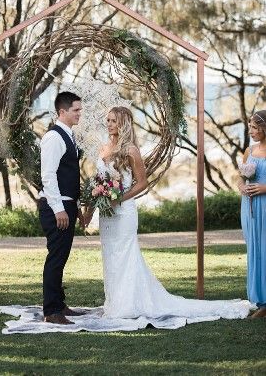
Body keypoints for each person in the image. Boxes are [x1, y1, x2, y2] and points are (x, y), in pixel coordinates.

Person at [84, 106, 251, 328]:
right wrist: (96, 201)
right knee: (111, 257)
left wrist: (121, 198)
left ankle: (127, 305)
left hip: (124, 212)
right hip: (107, 215)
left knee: (126, 255)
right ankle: (115, 303)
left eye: (113, 120)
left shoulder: (131, 150)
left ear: (123, 123)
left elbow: (142, 183)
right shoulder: (104, 148)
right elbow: (98, 180)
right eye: (108, 120)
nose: (109, 124)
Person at [38, 91, 85, 325]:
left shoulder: (69, 136)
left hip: (67, 203)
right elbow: (47, 176)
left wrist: (76, 206)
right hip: (56, 206)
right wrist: (58, 208)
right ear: (62, 112)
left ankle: (59, 304)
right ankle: (51, 311)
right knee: (56, 257)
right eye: (76, 110)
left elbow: (68, 174)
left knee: (61, 257)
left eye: (80, 109)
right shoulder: (54, 138)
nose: (79, 113)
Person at [239, 110, 266, 319]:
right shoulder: (249, 150)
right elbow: (240, 178)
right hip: (250, 206)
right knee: (255, 248)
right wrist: (242, 187)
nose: (251, 131)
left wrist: (264, 188)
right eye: (250, 127)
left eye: (255, 127)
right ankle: (260, 300)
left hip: (265, 203)